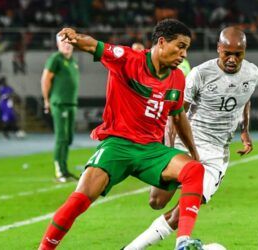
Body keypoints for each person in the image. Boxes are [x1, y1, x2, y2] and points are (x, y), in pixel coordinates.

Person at [38, 19, 206, 250]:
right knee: (80, 200)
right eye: (180, 46)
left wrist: (194, 153)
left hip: (151, 150)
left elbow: (178, 117)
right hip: (117, 144)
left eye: (186, 48)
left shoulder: (177, 78)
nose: (184, 54)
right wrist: (74, 37)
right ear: (161, 42)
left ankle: (183, 242)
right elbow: (93, 45)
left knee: (194, 170)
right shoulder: (127, 59)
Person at [123, 26, 258, 250]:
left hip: (216, 154)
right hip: (187, 144)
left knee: (182, 213)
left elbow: (245, 100)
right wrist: (167, 150)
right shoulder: (200, 74)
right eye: (228, 53)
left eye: (239, 54)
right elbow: (176, 114)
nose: (233, 59)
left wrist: (245, 131)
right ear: (218, 49)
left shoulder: (253, 73)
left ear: (245, 51)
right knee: (156, 202)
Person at [41, 34, 80, 183]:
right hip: (60, 103)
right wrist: (46, 100)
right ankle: (59, 170)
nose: (66, 44)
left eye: (69, 41)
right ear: (57, 44)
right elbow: (45, 78)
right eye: (63, 42)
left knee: (69, 138)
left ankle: (65, 169)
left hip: (71, 104)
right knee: (61, 137)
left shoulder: (72, 61)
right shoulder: (56, 58)